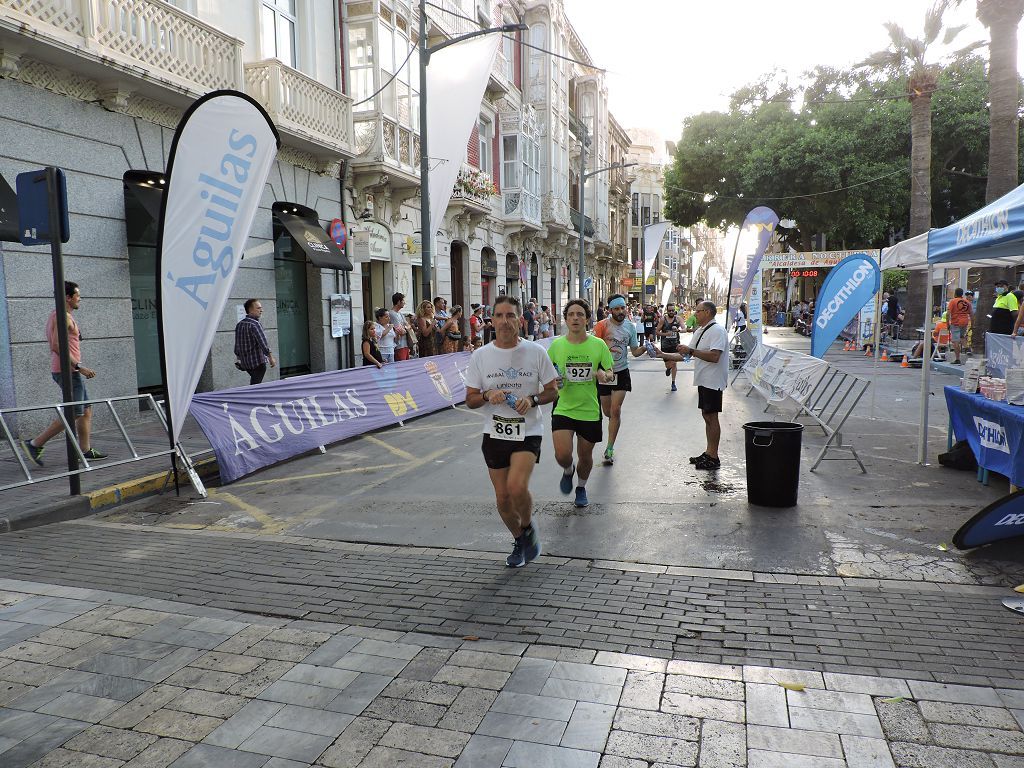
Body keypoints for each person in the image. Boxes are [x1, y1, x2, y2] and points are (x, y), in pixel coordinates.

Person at [464, 295, 559, 567]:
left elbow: (553, 389)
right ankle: (519, 538)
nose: (505, 321)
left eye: (510, 315)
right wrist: (486, 395)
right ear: (492, 320)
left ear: (520, 319)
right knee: (503, 498)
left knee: (517, 487)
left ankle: (527, 526)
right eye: (500, 316)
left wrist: (533, 400)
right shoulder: (480, 356)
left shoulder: (536, 352)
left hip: (528, 430)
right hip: (494, 432)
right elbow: (470, 399)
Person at [23, 281, 107, 466]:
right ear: (68, 297)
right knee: (75, 412)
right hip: (68, 371)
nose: (80, 298)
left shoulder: (64, 315)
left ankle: (85, 450)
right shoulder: (61, 316)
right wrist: (79, 367)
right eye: (77, 295)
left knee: (85, 409)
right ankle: (35, 443)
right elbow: (56, 344)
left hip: (70, 370)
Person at [547, 299, 615, 508]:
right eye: (571, 315)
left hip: (589, 410)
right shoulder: (557, 344)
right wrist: (552, 380)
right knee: (562, 454)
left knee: (585, 456)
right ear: (565, 319)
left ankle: (581, 487)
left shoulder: (598, 345)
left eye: (580, 314)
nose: (575, 318)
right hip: (563, 407)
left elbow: (612, 374)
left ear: (587, 319)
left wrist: (604, 374)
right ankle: (568, 471)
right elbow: (546, 372)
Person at [657, 301, 729, 471]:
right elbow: (687, 356)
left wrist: (690, 351)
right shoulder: (701, 331)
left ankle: (714, 456)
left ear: (708, 313)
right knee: (706, 416)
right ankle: (709, 451)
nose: (695, 314)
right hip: (704, 380)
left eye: (698, 311)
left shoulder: (717, 331)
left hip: (713, 380)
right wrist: (663, 354)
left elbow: (714, 356)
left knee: (712, 417)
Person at [593, 294, 648, 465]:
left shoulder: (630, 328)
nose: (620, 311)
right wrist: (596, 371)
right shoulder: (602, 326)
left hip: (622, 371)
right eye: (616, 308)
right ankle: (611, 426)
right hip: (604, 374)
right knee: (607, 412)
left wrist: (646, 348)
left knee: (615, 411)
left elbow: (635, 351)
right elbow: (593, 350)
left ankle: (609, 448)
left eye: (623, 308)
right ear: (610, 310)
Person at [234, 298, 276, 385]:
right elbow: (263, 343)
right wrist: (271, 357)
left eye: (261, 308)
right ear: (250, 310)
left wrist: (238, 357)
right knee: (255, 386)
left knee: (255, 384)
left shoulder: (239, 324)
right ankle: (250, 398)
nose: (261, 310)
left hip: (246, 363)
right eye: (258, 308)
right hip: (257, 363)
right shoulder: (255, 324)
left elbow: (237, 345)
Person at [656, 304, 683, 392]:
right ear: (667, 311)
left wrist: (678, 330)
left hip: (675, 345)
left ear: (675, 310)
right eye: (669, 310)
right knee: (668, 364)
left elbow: (684, 328)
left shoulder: (678, 319)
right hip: (665, 345)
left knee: (674, 363)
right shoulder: (663, 319)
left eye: (672, 310)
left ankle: (673, 383)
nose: (671, 312)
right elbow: (657, 332)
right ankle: (668, 368)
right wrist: (665, 334)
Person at [946, 288, 972, 364]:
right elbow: (971, 314)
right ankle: (967, 348)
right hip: (965, 322)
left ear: (955, 293)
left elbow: (948, 314)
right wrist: (972, 324)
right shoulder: (967, 302)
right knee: (962, 336)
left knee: (955, 341)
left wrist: (948, 324)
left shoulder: (953, 301)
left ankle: (957, 359)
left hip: (956, 322)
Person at [388, 293, 410, 361]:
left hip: (405, 344)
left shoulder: (400, 314)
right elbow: (401, 331)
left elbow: (408, 325)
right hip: (399, 345)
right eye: (403, 300)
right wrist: (406, 328)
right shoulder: (392, 314)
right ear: (398, 302)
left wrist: (406, 328)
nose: (404, 302)